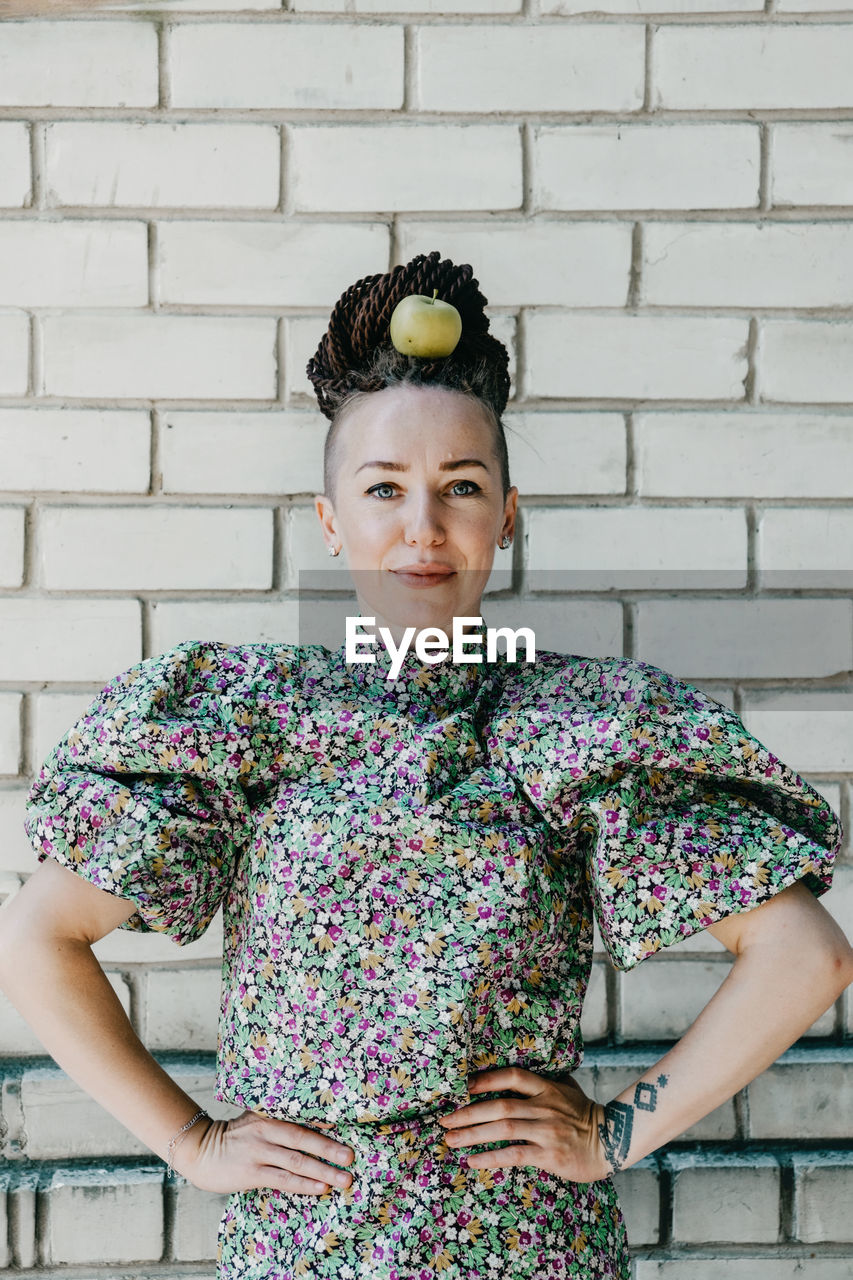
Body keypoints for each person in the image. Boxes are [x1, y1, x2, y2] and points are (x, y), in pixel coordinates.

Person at [1, 250, 852, 1280]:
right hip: (300, 1251)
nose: (421, 526)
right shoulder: (245, 714)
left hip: (525, 1249)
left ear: (506, 511)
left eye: (460, 486)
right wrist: (191, 1139)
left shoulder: (575, 724)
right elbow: (38, 936)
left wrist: (615, 1131)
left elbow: (806, 955)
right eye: (383, 488)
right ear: (330, 519)